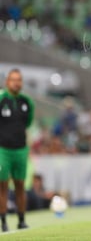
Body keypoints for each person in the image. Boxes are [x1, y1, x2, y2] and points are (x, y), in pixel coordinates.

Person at [0, 68, 35, 232]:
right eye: (13, 79)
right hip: (2, 150)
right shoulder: (1, 99)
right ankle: (3, 222)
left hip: (21, 150)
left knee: (20, 185)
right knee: (2, 185)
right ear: (7, 82)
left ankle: (21, 220)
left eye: (19, 79)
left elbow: (27, 123)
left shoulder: (27, 102)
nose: (17, 82)